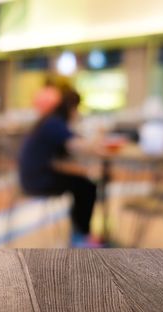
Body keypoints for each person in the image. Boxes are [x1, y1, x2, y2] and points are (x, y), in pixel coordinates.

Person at [18, 82, 102, 248]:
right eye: (77, 108)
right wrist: (98, 138)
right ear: (71, 107)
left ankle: (79, 233)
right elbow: (76, 144)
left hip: (33, 176)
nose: (78, 113)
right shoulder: (54, 123)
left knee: (82, 183)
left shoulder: (50, 121)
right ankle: (80, 236)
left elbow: (61, 156)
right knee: (86, 186)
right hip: (37, 180)